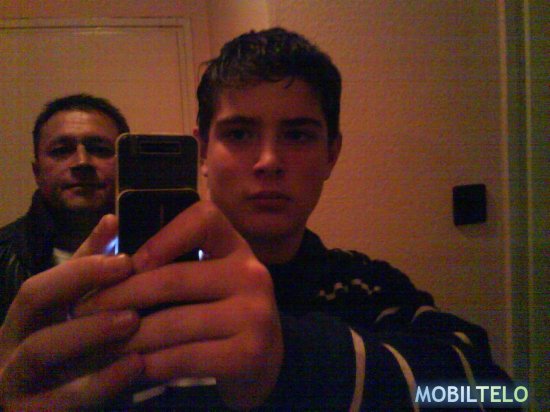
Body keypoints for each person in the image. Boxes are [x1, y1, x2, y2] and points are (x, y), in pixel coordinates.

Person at [0, 29, 519, 411]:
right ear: (203, 152)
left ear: (332, 153)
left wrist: (290, 361)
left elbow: (501, 395)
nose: (269, 160)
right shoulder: (118, 291)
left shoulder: (368, 289)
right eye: (240, 134)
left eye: (298, 134)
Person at [0, 94, 129, 321]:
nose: (82, 162)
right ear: (37, 172)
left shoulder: (163, 248)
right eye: (61, 150)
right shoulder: (4, 255)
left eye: (100, 149)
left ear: (128, 163)